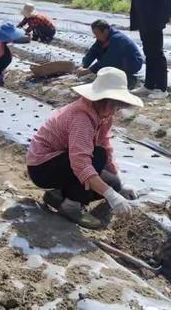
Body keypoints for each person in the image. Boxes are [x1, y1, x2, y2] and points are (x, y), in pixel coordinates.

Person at [26, 67, 143, 229]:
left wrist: (119, 186)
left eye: (118, 106)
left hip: (63, 160)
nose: (115, 111)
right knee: (97, 159)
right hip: (42, 167)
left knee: (113, 182)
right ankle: (71, 206)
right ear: (102, 100)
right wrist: (112, 197)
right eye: (113, 105)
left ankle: (58, 195)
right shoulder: (81, 118)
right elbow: (81, 164)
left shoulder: (103, 115)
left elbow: (105, 145)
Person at [123, 0, 171, 100]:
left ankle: (161, 88)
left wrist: (164, 17)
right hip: (145, 20)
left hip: (154, 20)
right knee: (149, 52)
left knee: (157, 53)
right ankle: (149, 85)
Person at [77, 19, 143, 90]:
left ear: (105, 31)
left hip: (132, 63)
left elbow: (109, 59)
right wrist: (83, 65)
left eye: (97, 34)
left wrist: (89, 70)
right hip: (118, 60)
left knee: (109, 64)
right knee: (99, 52)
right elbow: (92, 52)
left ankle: (128, 78)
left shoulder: (117, 39)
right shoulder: (103, 38)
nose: (96, 36)